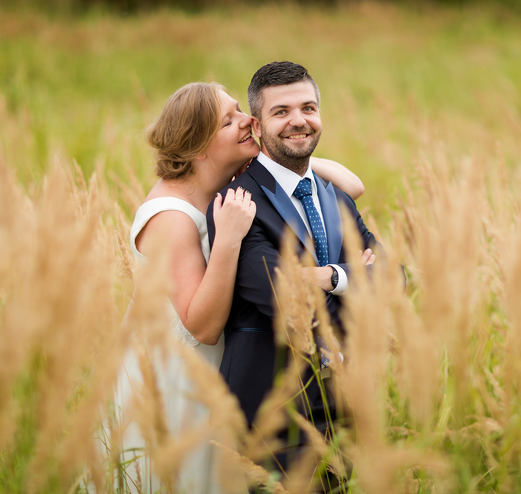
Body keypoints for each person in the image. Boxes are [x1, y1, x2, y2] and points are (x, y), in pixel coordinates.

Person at [115, 81, 368, 492]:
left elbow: (351, 186)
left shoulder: (233, 174)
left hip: (229, 370)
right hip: (181, 380)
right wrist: (229, 240)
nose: (247, 121)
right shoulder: (170, 217)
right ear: (198, 147)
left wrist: (285, 161)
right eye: (229, 120)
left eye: (240, 110)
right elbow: (202, 326)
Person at [206, 61, 379, 473]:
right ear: (257, 127)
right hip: (273, 414)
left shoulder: (334, 196)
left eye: (308, 108)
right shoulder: (238, 203)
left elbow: (394, 276)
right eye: (281, 112)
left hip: (345, 409)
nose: (298, 121)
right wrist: (359, 279)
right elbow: (283, 295)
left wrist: (333, 276)